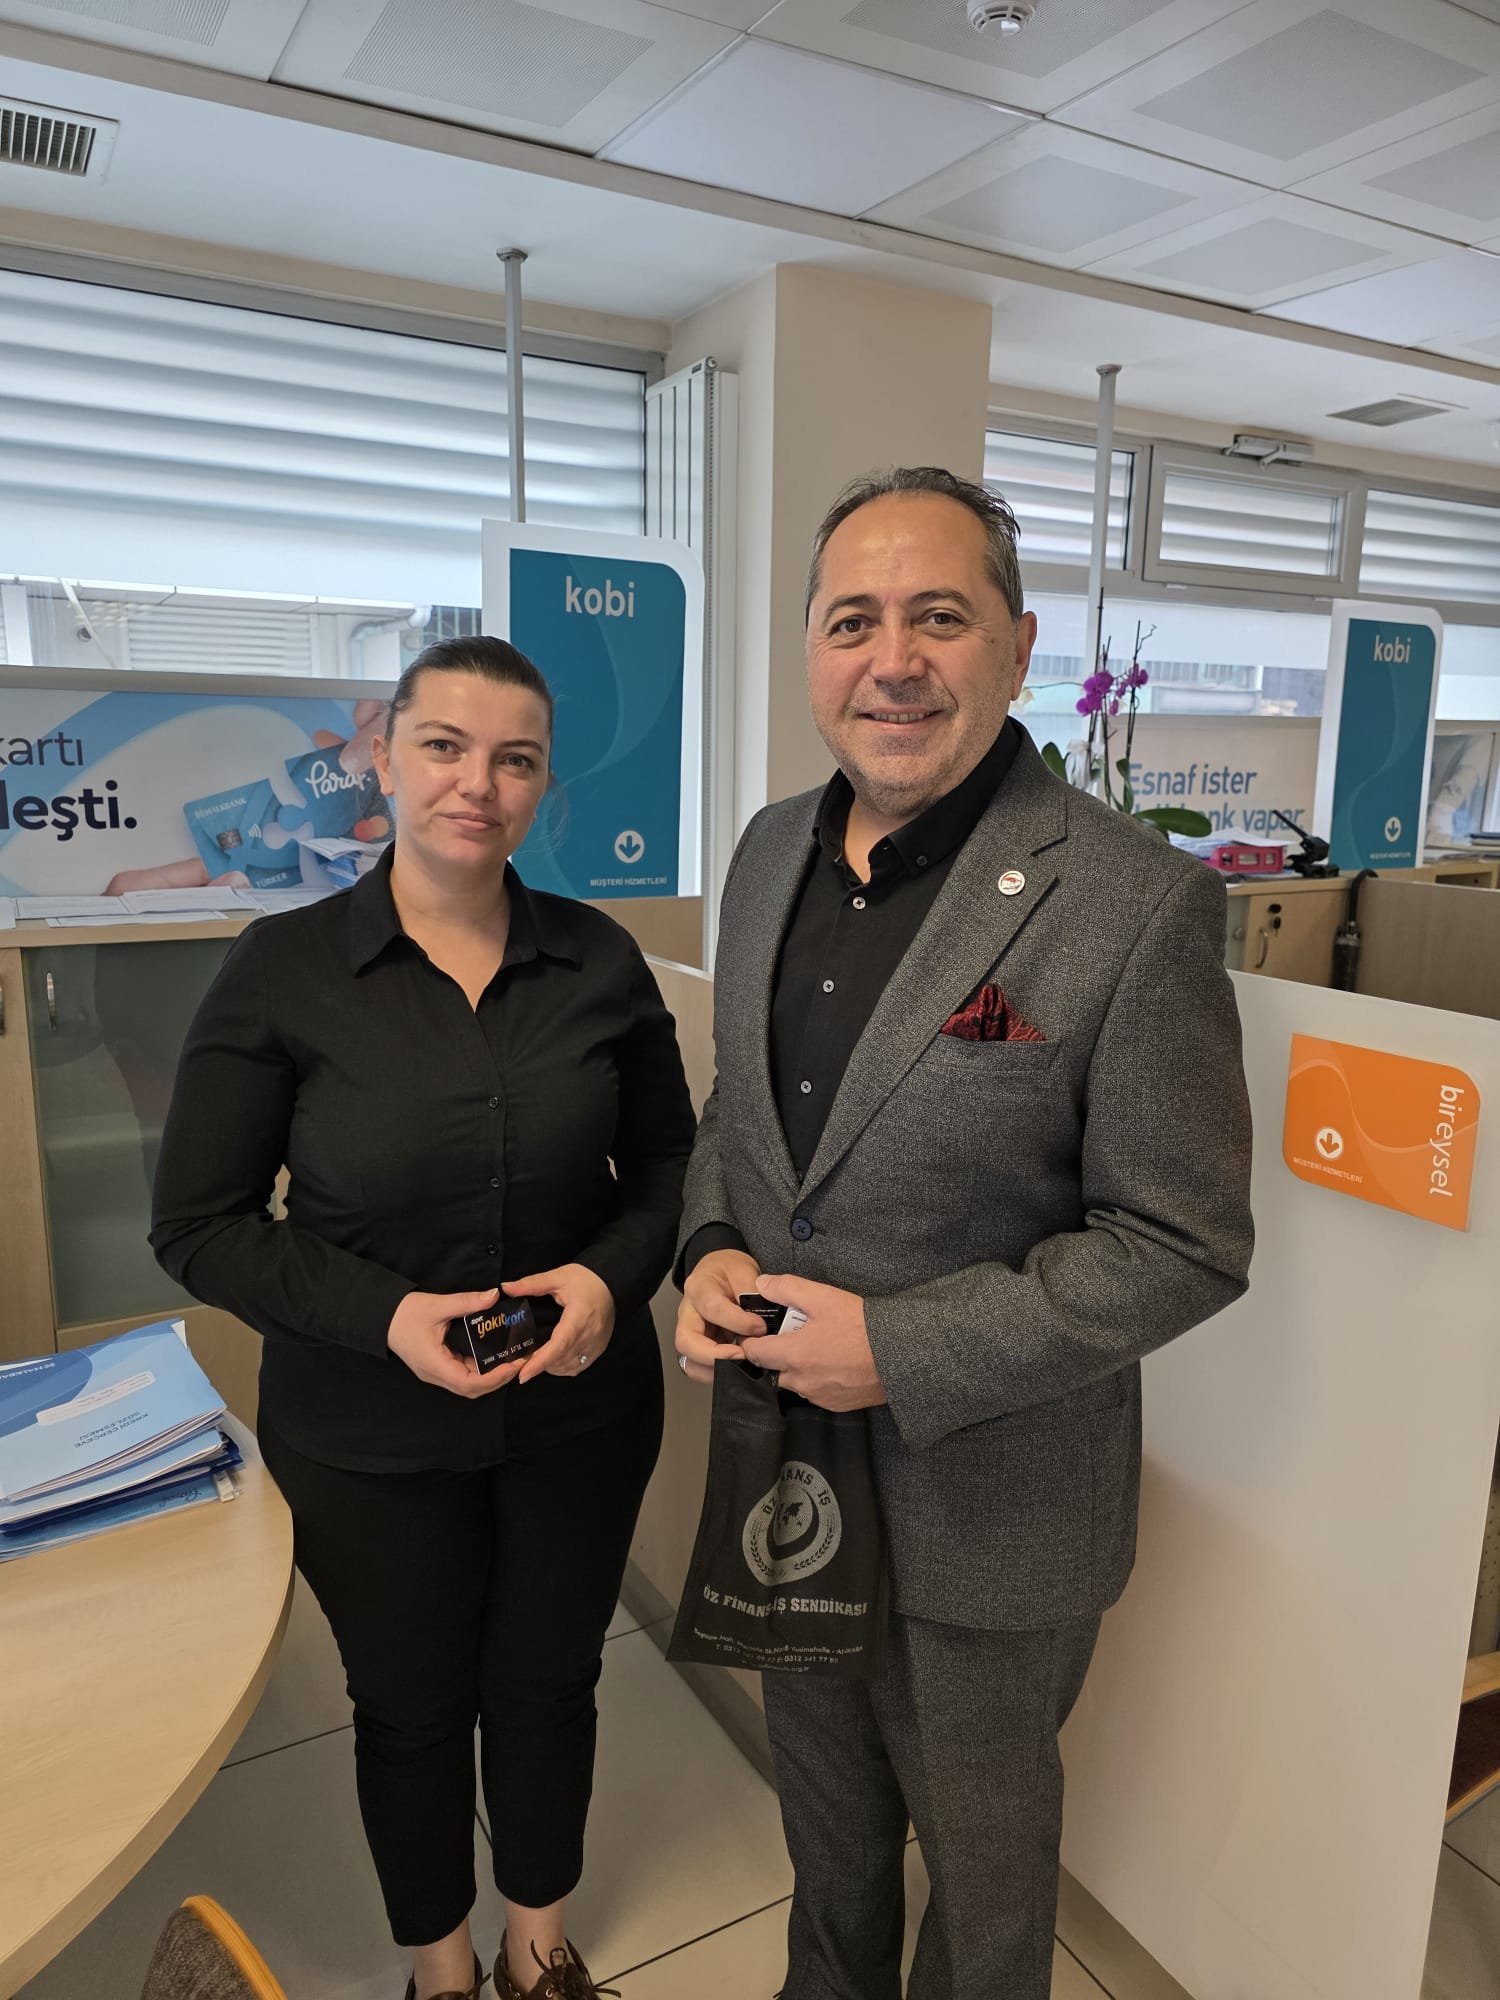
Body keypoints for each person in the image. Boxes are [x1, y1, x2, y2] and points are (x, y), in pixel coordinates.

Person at [674, 467, 1254, 2000]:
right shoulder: (765, 853)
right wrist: (708, 1244)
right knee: (829, 1845)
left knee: (985, 1900)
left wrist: (902, 1348)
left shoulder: (1133, 904)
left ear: (1017, 644)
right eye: (852, 621)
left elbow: (1184, 1240)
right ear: (809, 650)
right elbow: (746, 1111)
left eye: (939, 615)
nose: (894, 660)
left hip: (992, 1512)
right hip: (787, 1474)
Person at [152, 636, 695, 2000]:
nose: (478, 784)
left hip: (579, 1413)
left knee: (551, 1681)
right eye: (444, 747)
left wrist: (605, 1280)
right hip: (365, 1432)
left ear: (543, 784)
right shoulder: (282, 970)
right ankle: (441, 1969)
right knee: (408, 1705)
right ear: (382, 758)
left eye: (515, 760)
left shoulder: (598, 961)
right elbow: (200, 1223)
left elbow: (671, 1170)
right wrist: (388, 1316)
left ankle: (537, 1945)